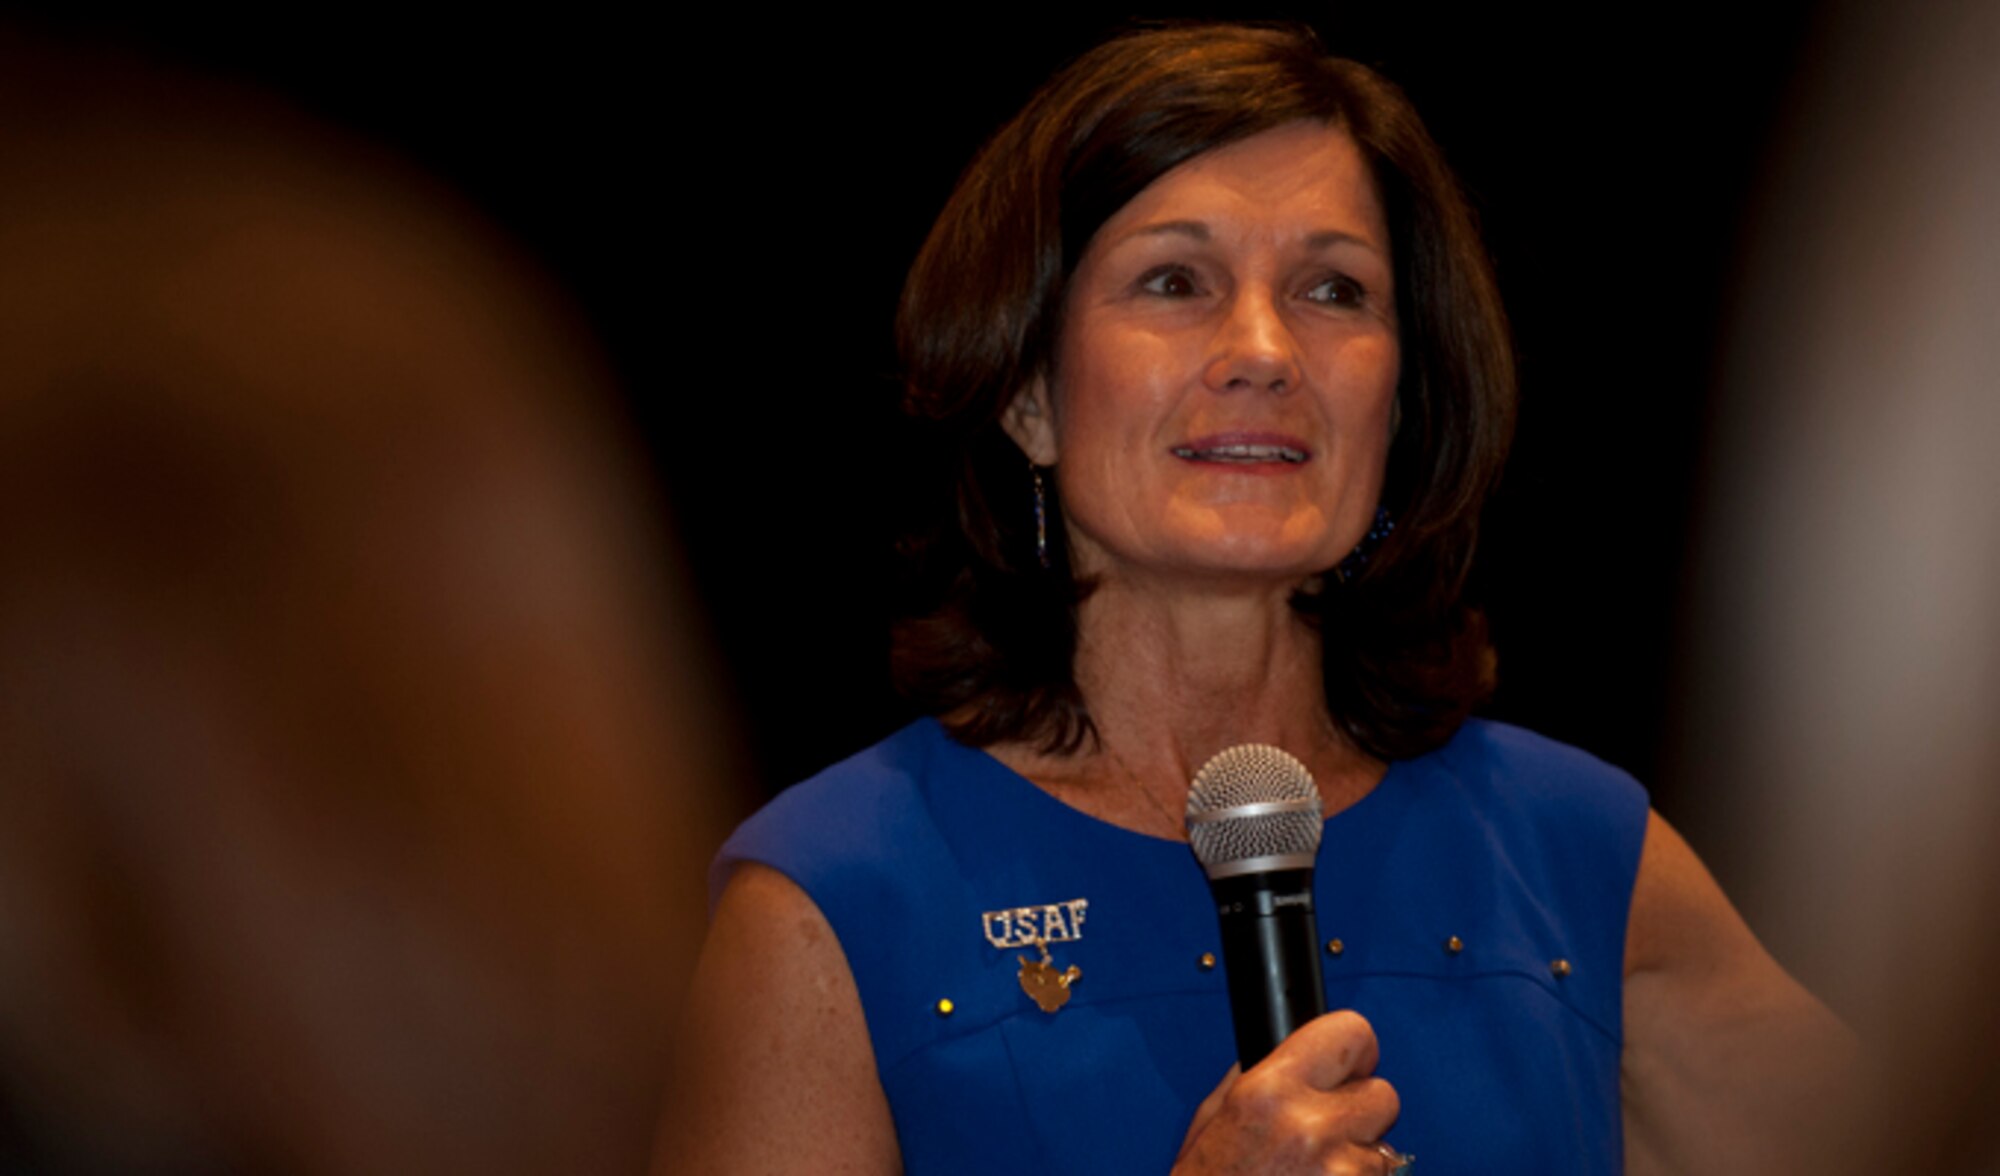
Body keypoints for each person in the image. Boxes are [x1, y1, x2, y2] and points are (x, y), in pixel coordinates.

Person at [677, 23, 1851, 1175]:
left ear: (1396, 407)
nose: (1262, 349)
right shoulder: (831, 900)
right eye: (1173, 280)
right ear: (1027, 388)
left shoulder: (1573, 853)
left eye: (1333, 289)